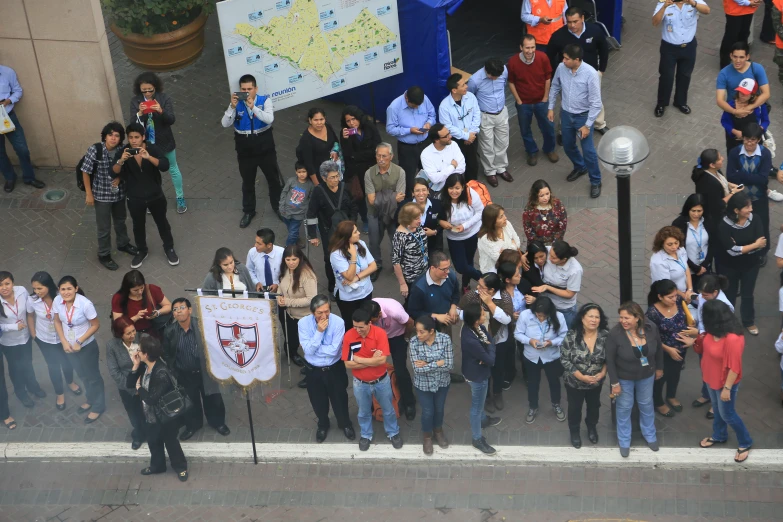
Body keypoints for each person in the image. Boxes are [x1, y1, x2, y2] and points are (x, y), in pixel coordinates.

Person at [112, 122, 179, 268]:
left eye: (137, 137)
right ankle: (142, 251)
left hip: (156, 196)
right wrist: (121, 160)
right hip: (135, 198)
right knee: (138, 226)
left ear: (143, 137)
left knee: (162, 223)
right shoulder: (124, 151)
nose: (134, 140)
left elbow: (165, 165)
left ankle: (169, 248)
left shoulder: (152, 148)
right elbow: (114, 172)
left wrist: (149, 157)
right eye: (131, 137)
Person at [163, 297, 230, 441]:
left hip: (206, 372)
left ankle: (217, 422)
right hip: (185, 374)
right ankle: (193, 425)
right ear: (173, 314)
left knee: (213, 398)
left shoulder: (202, 326)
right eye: (175, 309)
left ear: (190, 309)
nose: (179, 312)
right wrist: (174, 371)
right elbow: (168, 354)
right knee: (190, 402)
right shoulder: (170, 331)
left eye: (182, 308)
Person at [221, 74, 282, 229]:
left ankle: (278, 207)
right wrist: (231, 107)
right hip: (245, 149)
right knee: (247, 182)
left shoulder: (264, 100)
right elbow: (225, 124)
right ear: (239, 90)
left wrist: (252, 107)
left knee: (273, 180)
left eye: (249, 89)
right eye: (243, 89)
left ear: (256, 89)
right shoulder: (236, 104)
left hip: (265, 147)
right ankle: (249, 211)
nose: (247, 92)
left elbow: (269, 119)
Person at [695, 300, 752, 463]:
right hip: (710, 378)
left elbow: (734, 368)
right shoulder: (713, 331)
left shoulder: (733, 338)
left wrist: (727, 389)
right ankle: (719, 435)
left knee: (728, 414)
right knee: (718, 411)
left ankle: (745, 441)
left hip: (724, 383)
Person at [128, 335, 188, 481]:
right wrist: (135, 366)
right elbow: (129, 383)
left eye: (140, 350)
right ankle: (157, 466)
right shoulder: (144, 366)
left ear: (146, 354)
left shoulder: (161, 372)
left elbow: (151, 399)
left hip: (165, 416)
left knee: (171, 442)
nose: (138, 352)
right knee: (153, 442)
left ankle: (180, 467)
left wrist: (139, 388)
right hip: (150, 416)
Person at [607, 301, 664, 457]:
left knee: (646, 404)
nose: (623, 321)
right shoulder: (615, 334)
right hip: (624, 377)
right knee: (624, 407)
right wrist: (614, 383)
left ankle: (650, 434)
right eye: (621, 318)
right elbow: (610, 360)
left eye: (627, 318)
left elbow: (658, 349)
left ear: (637, 318)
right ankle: (624, 439)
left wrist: (659, 367)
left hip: (647, 375)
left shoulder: (651, 329)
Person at [80, 122, 139, 271]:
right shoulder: (95, 150)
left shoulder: (123, 149)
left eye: (117, 135)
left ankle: (123, 244)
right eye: (110, 134)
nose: (113, 138)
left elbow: (127, 169)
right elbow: (85, 171)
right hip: (101, 195)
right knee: (104, 227)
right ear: (105, 136)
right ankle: (104, 254)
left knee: (120, 221)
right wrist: (89, 194)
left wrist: (120, 178)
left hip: (119, 194)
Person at [548, 44, 603, 198]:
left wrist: (587, 125)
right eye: (563, 57)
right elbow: (555, 86)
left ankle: (596, 181)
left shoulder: (590, 74)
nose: (563, 61)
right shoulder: (561, 67)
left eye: (567, 59)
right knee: (568, 145)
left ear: (577, 60)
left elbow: (596, 103)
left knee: (588, 151)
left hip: (583, 117)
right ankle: (580, 166)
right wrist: (551, 107)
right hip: (566, 114)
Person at [343, 308, 402, 451]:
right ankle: (366, 434)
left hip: (381, 381)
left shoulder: (380, 334)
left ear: (369, 323)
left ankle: (393, 432)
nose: (357, 330)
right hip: (360, 384)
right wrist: (371, 360)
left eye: (361, 327)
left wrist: (358, 359)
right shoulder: (349, 336)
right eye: (355, 326)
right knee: (363, 412)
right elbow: (348, 363)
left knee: (388, 409)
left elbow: (382, 361)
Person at [299, 295, 355, 443]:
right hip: (314, 370)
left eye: (327, 311)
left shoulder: (338, 322)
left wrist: (315, 346)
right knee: (318, 402)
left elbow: (333, 351)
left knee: (340, 399)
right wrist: (319, 332)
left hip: (334, 368)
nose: (324, 316)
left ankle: (345, 424)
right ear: (312, 312)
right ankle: (323, 425)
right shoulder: (303, 324)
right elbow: (308, 351)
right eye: (320, 313)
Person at [546, 7, 611, 134]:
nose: (572, 25)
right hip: (568, 76)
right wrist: (555, 75)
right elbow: (549, 57)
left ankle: (598, 123)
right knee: (567, 103)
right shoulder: (558, 36)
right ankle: (563, 130)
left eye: (575, 21)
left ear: (582, 18)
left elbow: (604, 48)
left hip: (592, 75)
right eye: (569, 22)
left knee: (595, 99)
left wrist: (601, 70)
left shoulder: (595, 30)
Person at [130, 71, 187, 213]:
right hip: (147, 144)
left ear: (156, 87)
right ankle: (153, 199)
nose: (148, 93)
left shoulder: (164, 98)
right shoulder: (135, 101)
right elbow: (133, 125)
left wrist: (161, 110)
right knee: (150, 172)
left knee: (173, 169)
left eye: (150, 90)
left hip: (165, 141)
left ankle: (180, 198)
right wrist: (139, 114)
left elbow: (171, 120)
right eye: (144, 90)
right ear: (139, 89)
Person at [52, 276, 104, 424]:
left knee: (93, 377)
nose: (66, 292)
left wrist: (79, 341)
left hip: (86, 347)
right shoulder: (57, 301)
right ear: (59, 290)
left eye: (69, 288)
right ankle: (90, 399)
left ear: (76, 288)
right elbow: (56, 321)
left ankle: (99, 406)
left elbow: (95, 325)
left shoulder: (85, 304)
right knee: (82, 375)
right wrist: (63, 341)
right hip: (69, 347)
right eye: (63, 289)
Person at [28, 271, 81, 412]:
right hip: (44, 339)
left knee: (68, 362)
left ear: (48, 286)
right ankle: (59, 393)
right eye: (34, 288)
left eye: (40, 288)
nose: (37, 291)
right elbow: (30, 315)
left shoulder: (60, 296)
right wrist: (33, 334)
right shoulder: (32, 300)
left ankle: (70, 382)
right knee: (53, 367)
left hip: (63, 337)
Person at [460, 273, 514, 411]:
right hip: (480, 339)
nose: (477, 288)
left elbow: (507, 319)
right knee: (483, 366)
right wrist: (473, 316)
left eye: (481, 286)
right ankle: (487, 397)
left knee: (498, 367)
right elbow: (460, 310)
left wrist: (490, 304)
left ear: (491, 290)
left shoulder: (504, 297)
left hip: (498, 338)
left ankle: (497, 393)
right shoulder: (473, 295)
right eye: (478, 284)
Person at [646, 279, 697, 418]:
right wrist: (668, 349)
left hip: (681, 347)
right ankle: (658, 402)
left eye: (675, 295)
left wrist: (691, 334)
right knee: (660, 376)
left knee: (675, 373)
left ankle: (671, 396)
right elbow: (650, 337)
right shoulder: (652, 313)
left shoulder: (679, 301)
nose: (674, 299)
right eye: (670, 297)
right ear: (660, 296)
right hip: (662, 351)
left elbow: (685, 318)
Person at [716, 192, 766, 335]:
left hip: (751, 266)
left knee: (747, 294)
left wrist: (742, 247)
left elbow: (762, 243)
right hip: (729, 267)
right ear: (736, 211)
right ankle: (729, 323)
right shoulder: (724, 225)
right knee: (729, 294)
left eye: (750, 205)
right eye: (747, 207)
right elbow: (731, 251)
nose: (751, 209)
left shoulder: (755, 219)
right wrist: (752, 245)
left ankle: (748, 321)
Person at [560, 303, 609, 448]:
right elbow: (564, 359)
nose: (594, 320)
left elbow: (609, 358)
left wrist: (603, 373)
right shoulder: (571, 336)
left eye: (597, 317)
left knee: (594, 407)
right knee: (575, 408)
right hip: (574, 383)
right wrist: (581, 377)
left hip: (596, 382)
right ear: (582, 318)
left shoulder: (605, 335)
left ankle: (592, 428)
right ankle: (574, 432)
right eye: (590, 316)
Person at [307, 160, 358, 294]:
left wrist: (352, 223)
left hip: (347, 230)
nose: (336, 180)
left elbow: (353, 206)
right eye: (332, 177)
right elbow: (311, 213)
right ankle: (332, 287)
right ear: (324, 178)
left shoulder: (345, 187)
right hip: (328, 232)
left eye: (337, 176)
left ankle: (350, 277)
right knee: (330, 259)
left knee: (350, 253)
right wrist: (313, 236)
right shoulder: (318, 191)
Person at [514, 296, 567, 424]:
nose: (541, 318)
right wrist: (529, 341)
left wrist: (552, 343)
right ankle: (533, 407)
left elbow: (564, 336)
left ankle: (556, 405)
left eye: (544, 316)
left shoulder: (559, 317)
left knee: (554, 383)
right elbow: (517, 333)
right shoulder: (525, 315)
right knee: (532, 383)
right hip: (531, 357)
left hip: (551, 357)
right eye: (538, 315)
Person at [652, 0, 710, 117]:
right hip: (669, 48)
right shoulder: (664, 3)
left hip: (689, 47)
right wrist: (664, 7)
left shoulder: (692, 1)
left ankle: (680, 102)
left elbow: (707, 10)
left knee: (685, 75)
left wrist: (693, 3)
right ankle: (661, 104)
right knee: (666, 77)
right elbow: (655, 22)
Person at [508, 35, 558, 167]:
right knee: (525, 130)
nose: (530, 51)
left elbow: (548, 77)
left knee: (548, 127)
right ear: (521, 47)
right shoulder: (513, 62)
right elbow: (511, 82)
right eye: (527, 48)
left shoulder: (542, 58)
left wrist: (545, 97)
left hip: (541, 101)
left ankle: (549, 149)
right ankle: (531, 151)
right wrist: (518, 100)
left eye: (533, 47)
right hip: (523, 103)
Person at [726, 122, 772, 266]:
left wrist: (741, 175)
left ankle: (762, 252)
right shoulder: (735, 152)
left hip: (759, 198)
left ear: (758, 140)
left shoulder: (765, 154)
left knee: (762, 225)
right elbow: (730, 176)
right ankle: (743, 248)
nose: (749, 143)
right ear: (743, 138)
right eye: (747, 139)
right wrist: (754, 177)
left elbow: (763, 179)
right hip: (740, 199)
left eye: (753, 140)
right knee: (739, 223)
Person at [364, 299, 416, 420]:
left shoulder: (394, 311)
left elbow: (410, 322)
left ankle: (409, 402)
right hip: (379, 339)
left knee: (400, 370)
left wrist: (406, 337)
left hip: (397, 337)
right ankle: (376, 402)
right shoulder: (367, 312)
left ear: (380, 315)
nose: (371, 322)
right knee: (373, 369)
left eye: (373, 320)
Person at [408, 314, 452, 455]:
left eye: (422, 332)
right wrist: (438, 362)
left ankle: (438, 431)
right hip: (423, 385)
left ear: (431, 331)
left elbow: (450, 364)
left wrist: (427, 364)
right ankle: (427, 436)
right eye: (417, 331)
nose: (418, 335)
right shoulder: (414, 342)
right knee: (427, 412)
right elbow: (417, 369)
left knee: (439, 409)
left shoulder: (445, 339)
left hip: (442, 382)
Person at [461, 302, 501, 455]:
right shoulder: (471, 339)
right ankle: (477, 438)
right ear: (476, 320)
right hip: (477, 375)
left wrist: (489, 349)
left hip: (477, 371)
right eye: (482, 314)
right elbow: (491, 359)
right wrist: (490, 348)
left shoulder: (476, 328)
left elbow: (489, 341)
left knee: (480, 400)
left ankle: (483, 420)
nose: (485, 315)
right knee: (476, 407)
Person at [0, 271, 44, 409]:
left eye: (7, 283)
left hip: (25, 337)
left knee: (28, 363)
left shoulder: (22, 291)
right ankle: (21, 393)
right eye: (0, 285)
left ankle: (33, 386)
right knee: (15, 369)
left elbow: (30, 306)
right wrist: (14, 326)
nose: (4, 287)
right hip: (9, 342)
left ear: (13, 283)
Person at [693, 274, 734, 419]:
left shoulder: (725, 306)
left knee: (717, 374)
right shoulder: (704, 296)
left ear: (715, 292)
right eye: (701, 294)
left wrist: (700, 333)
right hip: (705, 339)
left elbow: (724, 331)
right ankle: (706, 395)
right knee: (706, 370)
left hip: (716, 345)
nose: (702, 297)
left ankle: (715, 403)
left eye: (706, 295)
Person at [467, 58, 512, 187]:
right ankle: (490, 171)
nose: (495, 78)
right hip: (485, 115)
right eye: (493, 76)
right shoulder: (474, 80)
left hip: (501, 112)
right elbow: (470, 98)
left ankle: (501, 168)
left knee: (503, 142)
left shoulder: (503, 71)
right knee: (487, 145)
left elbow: (503, 86)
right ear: (486, 71)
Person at [365, 143, 406, 280]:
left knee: (396, 240)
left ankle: (397, 266)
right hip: (374, 213)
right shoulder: (369, 173)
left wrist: (381, 196)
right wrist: (392, 196)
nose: (380, 159)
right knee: (374, 241)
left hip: (394, 214)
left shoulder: (400, 172)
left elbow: (400, 198)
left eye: (384, 156)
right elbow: (371, 200)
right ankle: (376, 265)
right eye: (378, 155)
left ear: (391, 156)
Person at [0, 64, 44, 192]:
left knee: (22, 149)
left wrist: (8, 100)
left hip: (8, 117)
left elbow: (18, 90)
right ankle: (9, 178)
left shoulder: (7, 72)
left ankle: (29, 178)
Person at [385, 86, 437, 195]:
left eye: (419, 105)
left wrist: (429, 123)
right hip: (407, 148)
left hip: (425, 144)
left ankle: (431, 198)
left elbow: (432, 115)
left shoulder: (424, 99)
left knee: (430, 173)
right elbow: (390, 129)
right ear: (407, 99)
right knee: (408, 178)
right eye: (414, 106)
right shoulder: (394, 107)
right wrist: (409, 130)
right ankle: (409, 203)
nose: (417, 108)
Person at [438, 174, 485, 293]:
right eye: (451, 188)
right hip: (454, 238)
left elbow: (480, 212)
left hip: (472, 234)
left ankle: (465, 285)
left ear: (463, 187)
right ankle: (483, 278)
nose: (454, 191)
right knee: (461, 266)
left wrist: (464, 226)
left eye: (457, 188)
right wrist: (441, 222)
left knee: (469, 262)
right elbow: (437, 217)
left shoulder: (471, 194)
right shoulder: (441, 199)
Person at [106, 317, 146, 449]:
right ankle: (139, 434)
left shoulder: (144, 338)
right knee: (134, 413)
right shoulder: (112, 346)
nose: (133, 335)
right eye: (128, 333)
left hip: (147, 384)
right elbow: (114, 372)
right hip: (127, 388)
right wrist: (132, 387)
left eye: (133, 331)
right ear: (120, 334)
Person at [340, 105, 381, 228]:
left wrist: (358, 155)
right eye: (348, 121)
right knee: (360, 197)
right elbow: (348, 155)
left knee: (375, 193)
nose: (352, 123)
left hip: (373, 167)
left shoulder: (370, 127)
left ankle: (378, 216)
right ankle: (365, 219)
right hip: (356, 171)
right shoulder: (345, 133)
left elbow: (377, 147)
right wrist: (346, 140)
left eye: (354, 119)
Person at [278, 245, 316, 376]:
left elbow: (311, 299)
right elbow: (281, 284)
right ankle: (291, 352)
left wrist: (288, 302)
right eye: (288, 259)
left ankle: (311, 364)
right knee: (290, 335)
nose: (291, 263)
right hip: (286, 312)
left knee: (304, 341)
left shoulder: (307, 275)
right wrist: (279, 296)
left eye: (294, 259)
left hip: (303, 316)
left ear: (300, 258)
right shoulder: (285, 268)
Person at [329, 221, 377, 321]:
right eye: (355, 232)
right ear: (347, 237)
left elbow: (373, 266)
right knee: (351, 324)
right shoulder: (336, 254)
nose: (359, 233)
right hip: (349, 298)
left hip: (366, 291)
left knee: (367, 321)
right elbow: (349, 276)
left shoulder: (361, 244)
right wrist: (353, 257)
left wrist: (357, 277)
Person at [439, 73, 481, 182]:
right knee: (457, 167)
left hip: (472, 137)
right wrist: (465, 136)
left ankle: (472, 187)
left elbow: (476, 115)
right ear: (454, 90)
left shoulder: (471, 97)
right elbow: (448, 127)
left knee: (473, 164)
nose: (466, 86)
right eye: (463, 85)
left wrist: (471, 134)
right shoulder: (444, 106)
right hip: (456, 141)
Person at [408, 251, 461, 336]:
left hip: (445, 324)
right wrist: (436, 316)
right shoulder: (419, 288)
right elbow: (414, 312)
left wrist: (453, 307)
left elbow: (456, 293)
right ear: (433, 268)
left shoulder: (451, 276)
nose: (448, 271)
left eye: (449, 267)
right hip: (427, 329)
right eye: (444, 269)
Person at [692, 149, 743, 235]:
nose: (722, 158)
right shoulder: (709, 183)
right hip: (715, 217)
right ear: (712, 165)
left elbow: (721, 181)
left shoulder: (715, 170)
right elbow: (719, 204)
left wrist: (729, 185)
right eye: (719, 159)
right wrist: (733, 192)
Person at [533, 240, 583, 328]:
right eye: (550, 255)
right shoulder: (549, 251)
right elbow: (533, 253)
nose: (549, 258)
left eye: (553, 258)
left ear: (564, 259)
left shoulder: (575, 270)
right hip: (546, 303)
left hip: (563, 308)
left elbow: (569, 294)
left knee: (567, 333)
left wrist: (547, 287)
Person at [111, 270, 171, 340]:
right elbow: (118, 324)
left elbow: (169, 306)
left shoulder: (151, 289)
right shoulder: (118, 298)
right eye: (135, 290)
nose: (140, 292)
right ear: (128, 289)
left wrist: (157, 312)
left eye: (142, 288)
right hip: (132, 334)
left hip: (153, 330)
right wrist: (135, 318)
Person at [716, 43, 771, 118]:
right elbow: (720, 100)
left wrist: (749, 107)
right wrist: (735, 111)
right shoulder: (724, 73)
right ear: (731, 56)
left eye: (741, 57)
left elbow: (766, 93)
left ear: (747, 57)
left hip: (754, 112)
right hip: (733, 111)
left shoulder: (757, 68)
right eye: (735, 57)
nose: (738, 60)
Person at [672, 194, 714, 290]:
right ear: (688, 209)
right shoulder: (679, 224)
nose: (696, 214)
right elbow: (677, 249)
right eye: (693, 211)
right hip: (686, 269)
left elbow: (712, 244)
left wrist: (704, 265)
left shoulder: (708, 222)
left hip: (704, 268)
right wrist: (695, 268)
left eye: (699, 211)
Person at [720, 79, 770, 156]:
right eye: (740, 92)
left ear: (752, 94)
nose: (742, 95)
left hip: (753, 142)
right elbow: (724, 121)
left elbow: (765, 121)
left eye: (745, 93)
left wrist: (757, 131)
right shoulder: (731, 105)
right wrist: (734, 131)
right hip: (735, 142)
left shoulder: (759, 106)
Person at [392, 203, 429, 304]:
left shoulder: (416, 226)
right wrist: (402, 284)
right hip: (412, 278)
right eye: (416, 218)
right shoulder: (400, 236)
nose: (420, 221)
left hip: (424, 271)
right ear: (407, 219)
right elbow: (396, 262)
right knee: (413, 303)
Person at [297, 107, 341, 186]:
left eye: (321, 119)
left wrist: (335, 151)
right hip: (320, 175)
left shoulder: (327, 126)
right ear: (310, 120)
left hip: (333, 168)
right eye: (316, 120)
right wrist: (317, 185)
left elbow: (335, 141)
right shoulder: (306, 139)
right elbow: (309, 164)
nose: (319, 123)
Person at [649, 226, 696, 301]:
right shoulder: (658, 262)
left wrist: (690, 289)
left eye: (676, 243)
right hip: (669, 297)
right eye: (670, 244)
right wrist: (684, 296)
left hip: (684, 293)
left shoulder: (680, 249)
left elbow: (686, 268)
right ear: (662, 244)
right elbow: (667, 286)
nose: (674, 247)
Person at [397, 178, 443, 254]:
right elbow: (398, 223)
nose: (421, 193)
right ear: (412, 193)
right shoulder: (404, 205)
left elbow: (442, 222)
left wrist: (434, 232)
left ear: (428, 191)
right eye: (417, 190)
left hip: (432, 247)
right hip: (410, 247)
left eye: (424, 190)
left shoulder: (437, 204)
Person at [419, 123, 466, 191]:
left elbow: (461, 168)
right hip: (438, 191)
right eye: (446, 136)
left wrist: (441, 174)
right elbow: (435, 179)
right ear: (436, 140)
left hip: (456, 187)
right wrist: (452, 166)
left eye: (449, 133)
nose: (450, 136)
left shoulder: (454, 145)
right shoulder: (425, 154)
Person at [478, 204, 522, 274]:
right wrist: (512, 245)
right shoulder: (485, 238)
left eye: (504, 214)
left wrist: (504, 251)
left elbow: (518, 242)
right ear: (492, 221)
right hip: (493, 271)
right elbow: (499, 258)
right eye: (501, 217)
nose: (505, 218)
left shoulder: (507, 224)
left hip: (509, 267)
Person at [522, 179, 568, 246]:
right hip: (537, 245)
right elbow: (528, 229)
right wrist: (538, 245)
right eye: (541, 196)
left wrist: (555, 242)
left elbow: (563, 225)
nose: (546, 198)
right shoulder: (529, 209)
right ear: (535, 196)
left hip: (555, 244)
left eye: (547, 194)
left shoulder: (557, 204)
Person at [278, 163, 314, 246]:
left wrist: (306, 210)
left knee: (293, 231)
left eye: (304, 171)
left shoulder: (310, 185)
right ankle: (296, 238)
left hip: (299, 214)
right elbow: (284, 192)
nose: (302, 174)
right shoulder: (291, 181)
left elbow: (310, 199)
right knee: (291, 228)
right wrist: (281, 206)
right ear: (296, 172)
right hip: (286, 211)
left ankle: (288, 247)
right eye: (299, 172)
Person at [719, 0, 761, 69]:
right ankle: (725, 63)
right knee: (731, 37)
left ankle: (742, 58)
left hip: (748, 8)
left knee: (744, 34)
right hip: (735, 9)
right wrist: (748, 3)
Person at [246, 228, 284, 293]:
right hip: (260, 290)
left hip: (280, 291)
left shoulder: (282, 253)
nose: (255, 245)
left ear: (269, 245)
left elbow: (288, 273)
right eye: (256, 242)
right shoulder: (252, 252)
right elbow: (249, 270)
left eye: (259, 244)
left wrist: (278, 285)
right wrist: (256, 282)